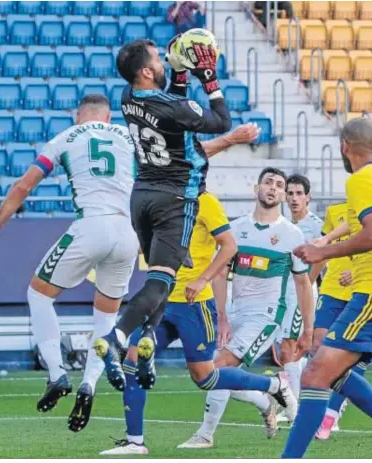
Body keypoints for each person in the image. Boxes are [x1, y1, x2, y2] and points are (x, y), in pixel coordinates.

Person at [100, 185, 296, 455]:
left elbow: (229, 247)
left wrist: (203, 279)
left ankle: (273, 385)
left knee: (205, 378)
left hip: (195, 306)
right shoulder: (161, 200)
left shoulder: (206, 203)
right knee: (133, 361)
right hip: (162, 300)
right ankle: (135, 442)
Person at [0, 95, 138, 431]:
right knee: (106, 318)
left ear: (78, 115)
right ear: (109, 117)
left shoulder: (66, 137)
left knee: (39, 295)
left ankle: (56, 374)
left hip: (91, 225)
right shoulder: (129, 136)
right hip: (127, 232)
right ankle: (89, 384)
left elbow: (24, 185)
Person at [282, 117, 372, 458]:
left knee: (315, 373)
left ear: (346, 147)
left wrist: (323, 250)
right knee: (330, 369)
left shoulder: (362, 179)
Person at [93, 38, 232, 391]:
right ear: (145, 71)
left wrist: (181, 73)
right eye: (158, 59)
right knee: (161, 282)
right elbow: (220, 121)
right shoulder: (172, 107)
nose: (163, 63)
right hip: (176, 199)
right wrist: (210, 81)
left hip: (142, 197)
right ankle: (117, 335)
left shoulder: (127, 96)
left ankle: (149, 338)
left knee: (159, 275)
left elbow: (170, 102)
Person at [188, 167, 313, 449]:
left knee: (218, 367)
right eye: (268, 182)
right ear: (256, 188)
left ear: (281, 194)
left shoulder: (291, 235)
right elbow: (220, 273)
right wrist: (222, 316)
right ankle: (270, 393)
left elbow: (304, 286)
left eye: (279, 185)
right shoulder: (236, 230)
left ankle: (205, 435)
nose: (273, 188)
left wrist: (307, 328)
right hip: (235, 312)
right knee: (205, 371)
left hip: (267, 316)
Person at [310, 202, 357, 440]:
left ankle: (331, 413)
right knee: (317, 346)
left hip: (362, 290)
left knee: (349, 355)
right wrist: (309, 281)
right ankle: (325, 405)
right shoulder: (334, 211)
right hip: (331, 289)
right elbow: (323, 248)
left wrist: (357, 273)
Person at [278, 173, 323, 413]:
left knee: (290, 348)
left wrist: (307, 284)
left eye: (299, 193)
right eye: (290, 193)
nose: (294, 198)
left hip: (301, 292)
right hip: (283, 293)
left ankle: (295, 409)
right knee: (289, 351)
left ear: (308, 197)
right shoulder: (284, 224)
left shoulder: (316, 225)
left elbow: (322, 257)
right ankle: (299, 402)